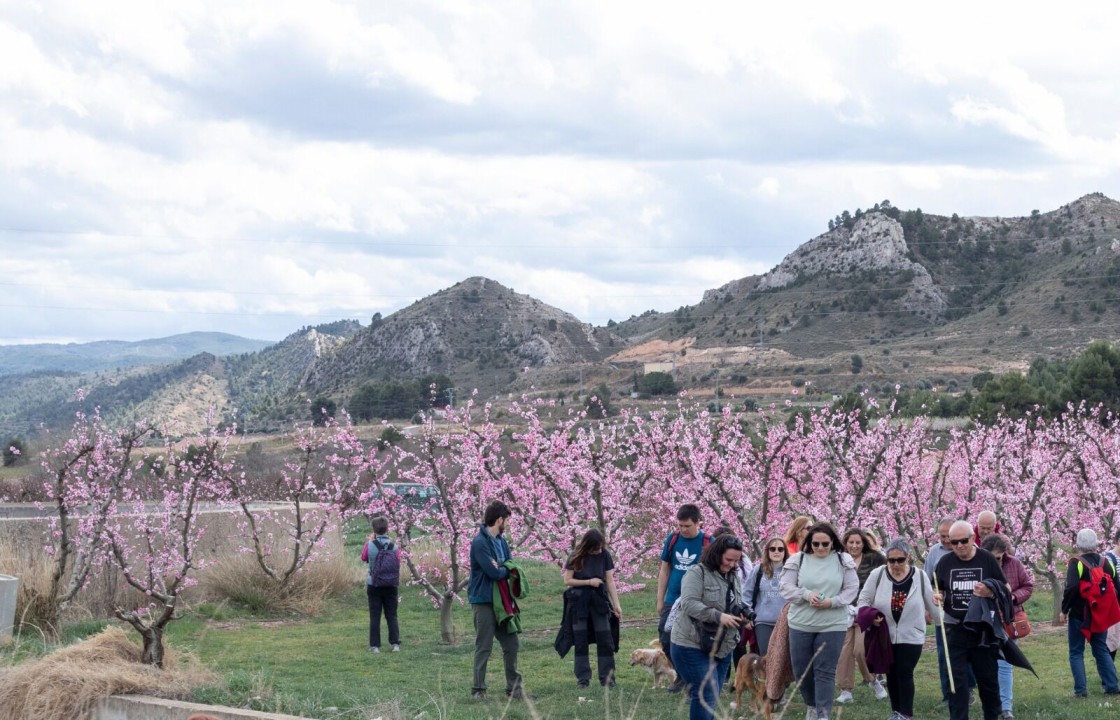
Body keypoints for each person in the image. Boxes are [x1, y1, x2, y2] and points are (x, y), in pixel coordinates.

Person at [780, 521, 859, 720]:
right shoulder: (798, 560)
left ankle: (823, 714)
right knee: (801, 670)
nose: (821, 548)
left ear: (833, 542)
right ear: (809, 543)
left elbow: (851, 588)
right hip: (801, 623)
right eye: (816, 544)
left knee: (825, 671)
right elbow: (786, 587)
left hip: (832, 624)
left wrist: (832, 602)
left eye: (825, 543)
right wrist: (806, 594)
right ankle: (812, 705)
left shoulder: (843, 560)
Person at [933, 520, 1007, 720]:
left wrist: (990, 591)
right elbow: (938, 587)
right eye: (954, 542)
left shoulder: (987, 559)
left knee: (988, 682)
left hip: (982, 629)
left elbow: (1005, 589)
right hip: (955, 629)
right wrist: (937, 595)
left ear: (973, 539)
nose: (958, 546)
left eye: (963, 541)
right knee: (956, 684)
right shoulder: (945, 562)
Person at [858, 538, 938, 720]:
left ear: (908, 557)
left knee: (904, 671)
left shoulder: (919, 576)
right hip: (885, 633)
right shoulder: (878, 574)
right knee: (891, 672)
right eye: (891, 560)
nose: (895, 564)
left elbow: (931, 603)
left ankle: (906, 713)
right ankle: (896, 711)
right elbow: (864, 600)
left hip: (912, 634)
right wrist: (871, 618)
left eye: (899, 560)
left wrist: (944, 621)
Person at [670, 533, 747, 720]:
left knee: (712, 696)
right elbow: (688, 603)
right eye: (728, 559)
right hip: (691, 643)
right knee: (705, 694)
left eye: (736, 561)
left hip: (722, 645)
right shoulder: (697, 573)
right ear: (717, 553)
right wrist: (718, 616)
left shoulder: (732, 576)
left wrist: (743, 614)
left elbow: (734, 601)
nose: (732, 564)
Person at [468, 500, 526, 701]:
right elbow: (494, 572)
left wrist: (503, 568)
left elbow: (510, 565)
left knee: (512, 644)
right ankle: (478, 689)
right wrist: (504, 568)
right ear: (499, 519)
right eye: (507, 520)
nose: (507, 524)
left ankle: (514, 688)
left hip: (502, 601)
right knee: (484, 645)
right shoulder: (480, 543)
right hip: (483, 600)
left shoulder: (501, 542)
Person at [1059, 528, 1120, 698]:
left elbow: (1071, 588)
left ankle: (1081, 690)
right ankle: (1112, 686)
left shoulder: (1076, 563)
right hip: (1100, 616)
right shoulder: (1106, 562)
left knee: (1076, 651)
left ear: (1078, 544)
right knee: (1101, 649)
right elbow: (1116, 586)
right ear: (1096, 543)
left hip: (1080, 615)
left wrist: (1064, 610)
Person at [657, 503, 711, 692]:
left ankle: (694, 679)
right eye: (680, 526)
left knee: (694, 639)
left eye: (687, 526)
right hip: (672, 598)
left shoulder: (708, 542)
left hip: (696, 600)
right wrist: (660, 599)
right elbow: (665, 569)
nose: (683, 530)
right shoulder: (672, 539)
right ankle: (681, 674)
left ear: (698, 523)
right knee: (665, 635)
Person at [981, 533, 1034, 720]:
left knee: (1005, 663)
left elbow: (1028, 585)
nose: (994, 562)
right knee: (986, 664)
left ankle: (1005, 707)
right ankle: (990, 704)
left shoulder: (1014, 564)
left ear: (1004, 553)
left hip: (1008, 620)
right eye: (990, 558)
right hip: (984, 620)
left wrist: (1012, 597)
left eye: (997, 558)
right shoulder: (978, 565)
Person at [562, 528, 623, 688]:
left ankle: (608, 678)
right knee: (580, 640)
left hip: (599, 601)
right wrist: (588, 582)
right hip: (578, 602)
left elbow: (609, 580)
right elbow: (567, 580)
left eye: (600, 547)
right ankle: (583, 679)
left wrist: (617, 605)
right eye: (596, 548)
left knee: (605, 638)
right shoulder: (575, 555)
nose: (599, 551)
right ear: (588, 547)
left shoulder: (605, 555)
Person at [836, 527, 887, 704]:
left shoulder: (875, 558)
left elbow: (885, 580)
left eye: (858, 542)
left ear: (863, 543)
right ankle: (845, 689)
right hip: (844, 611)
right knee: (844, 652)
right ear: (845, 543)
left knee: (860, 650)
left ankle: (872, 680)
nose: (854, 546)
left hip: (866, 611)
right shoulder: (838, 560)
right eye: (851, 542)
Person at [744, 535, 790, 656]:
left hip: (787, 622)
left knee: (784, 658)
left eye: (780, 549)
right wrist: (748, 616)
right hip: (763, 622)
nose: (776, 552)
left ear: (785, 552)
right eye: (772, 549)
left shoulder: (791, 570)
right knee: (766, 656)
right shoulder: (758, 570)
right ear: (767, 551)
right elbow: (746, 594)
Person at [361, 515, 400, 653]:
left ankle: (375, 645)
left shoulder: (369, 545)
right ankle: (395, 643)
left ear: (374, 529)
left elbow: (364, 557)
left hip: (374, 584)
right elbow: (397, 561)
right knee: (392, 614)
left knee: (375, 615)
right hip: (391, 584)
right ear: (387, 529)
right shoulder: (394, 546)